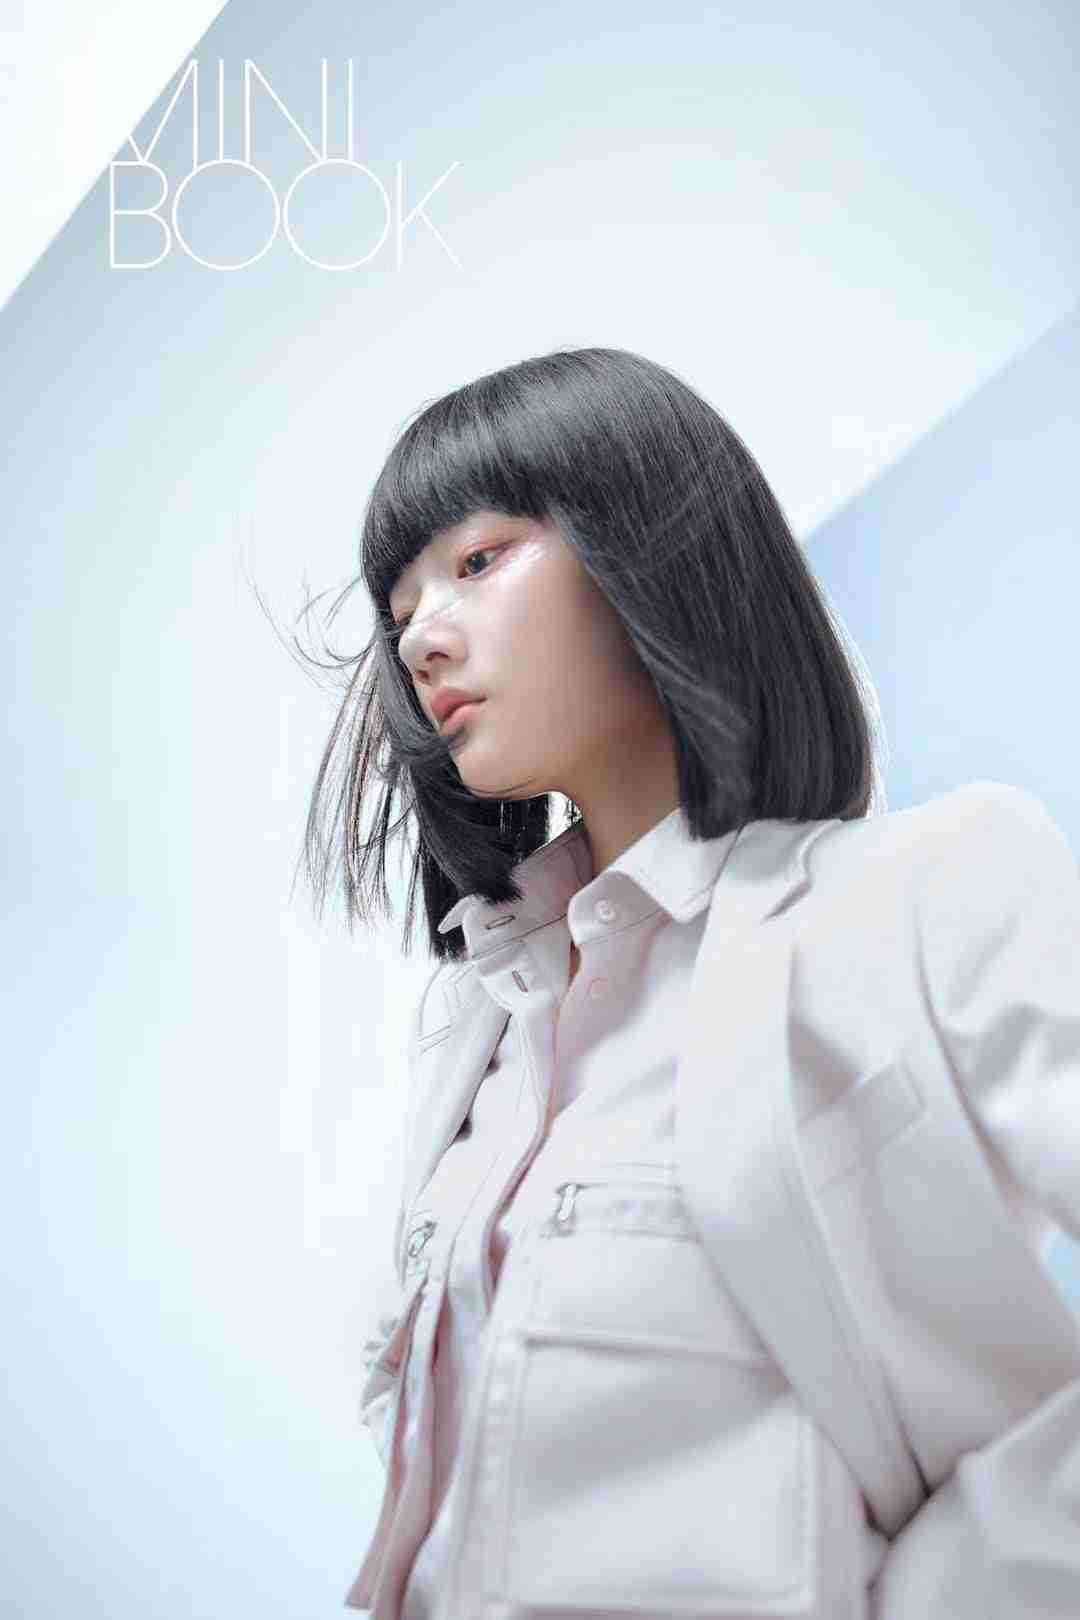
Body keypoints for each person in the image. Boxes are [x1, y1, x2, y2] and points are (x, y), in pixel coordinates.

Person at [301, 347, 1080, 1618]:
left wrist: (942, 1589)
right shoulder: (481, 1037)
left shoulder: (925, 890)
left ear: (649, 535)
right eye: (400, 614)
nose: (423, 637)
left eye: (479, 560)